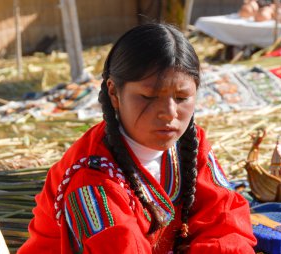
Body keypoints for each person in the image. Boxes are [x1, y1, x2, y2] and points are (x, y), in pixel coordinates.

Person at [18, 23, 257, 254]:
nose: (169, 112)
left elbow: (225, 221)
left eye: (182, 97)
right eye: (148, 96)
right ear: (114, 92)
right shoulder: (91, 179)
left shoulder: (191, 145)